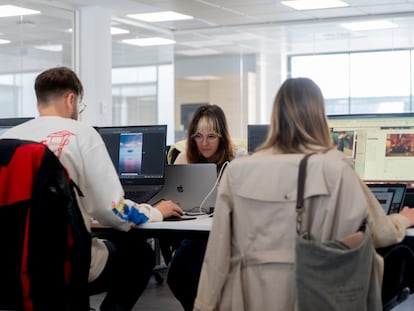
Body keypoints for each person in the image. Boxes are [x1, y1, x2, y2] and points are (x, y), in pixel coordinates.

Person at [193, 77, 414, 311]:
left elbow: (217, 253)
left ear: (275, 117)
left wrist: (204, 306)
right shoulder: (336, 168)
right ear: (320, 116)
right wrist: (404, 219)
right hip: (314, 293)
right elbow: (379, 233)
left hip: (246, 296)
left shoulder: (236, 170)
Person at [0, 66, 183, 311]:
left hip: (10, 262)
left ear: (38, 102)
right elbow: (113, 211)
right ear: (71, 99)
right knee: (140, 255)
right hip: (62, 261)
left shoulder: (8, 139)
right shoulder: (82, 134)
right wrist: (156, 211)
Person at [167, 104, 247, 311]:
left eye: (211, 136)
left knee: (189, 271)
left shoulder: (238, 158)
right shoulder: (184, 158)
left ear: (222, 136)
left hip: (227, 233)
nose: (204, 143)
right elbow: (174, 197)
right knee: (179, 277)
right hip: (192, 230)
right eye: (198, 136)